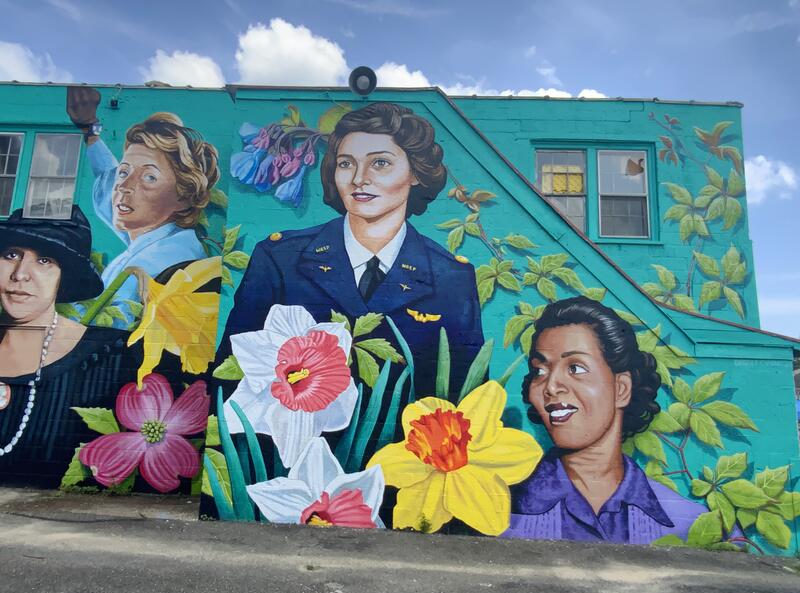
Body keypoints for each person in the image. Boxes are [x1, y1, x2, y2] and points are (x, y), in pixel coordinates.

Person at [218, 102, 484, 399]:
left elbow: (467, 396)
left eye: (380, 162)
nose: (358, 179)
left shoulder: (452, 276)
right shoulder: (279, 259)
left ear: (415, 173)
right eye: (346, 163)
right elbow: (230, 375)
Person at [503, 296, 707, 544]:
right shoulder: (500, 514)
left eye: (575, 368)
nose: (551, 386)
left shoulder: (689, 523)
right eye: (540, 371)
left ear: (621, 389)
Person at [0, 207, 138, 488]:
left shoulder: (110, 355)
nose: (21, 274)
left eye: (45, 260)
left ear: (65, 276)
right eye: (12, 254)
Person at [66, 86, 220, 326]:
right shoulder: (154, 231)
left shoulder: (163, 258)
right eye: (124, 172)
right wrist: (90, 130)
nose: (124, 186)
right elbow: (108, 178)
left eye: (149, 177)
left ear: (184, 197)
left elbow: (104, 325)